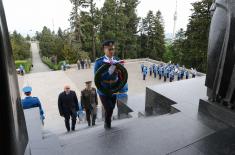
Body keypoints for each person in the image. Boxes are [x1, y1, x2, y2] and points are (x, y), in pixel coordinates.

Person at [94, 40, 127, 129]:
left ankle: (108, 120)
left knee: (112, 107)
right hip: (103, 89)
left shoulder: (116, 60)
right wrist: (109, 72)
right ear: (104, 49)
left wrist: (120, 72)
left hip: (114, 88)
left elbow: (122, 76)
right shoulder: (99, 62)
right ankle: (107, 123)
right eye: (109, 49)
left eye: (113, 49)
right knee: (108, 108)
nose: (112, 51)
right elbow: (97, 78)